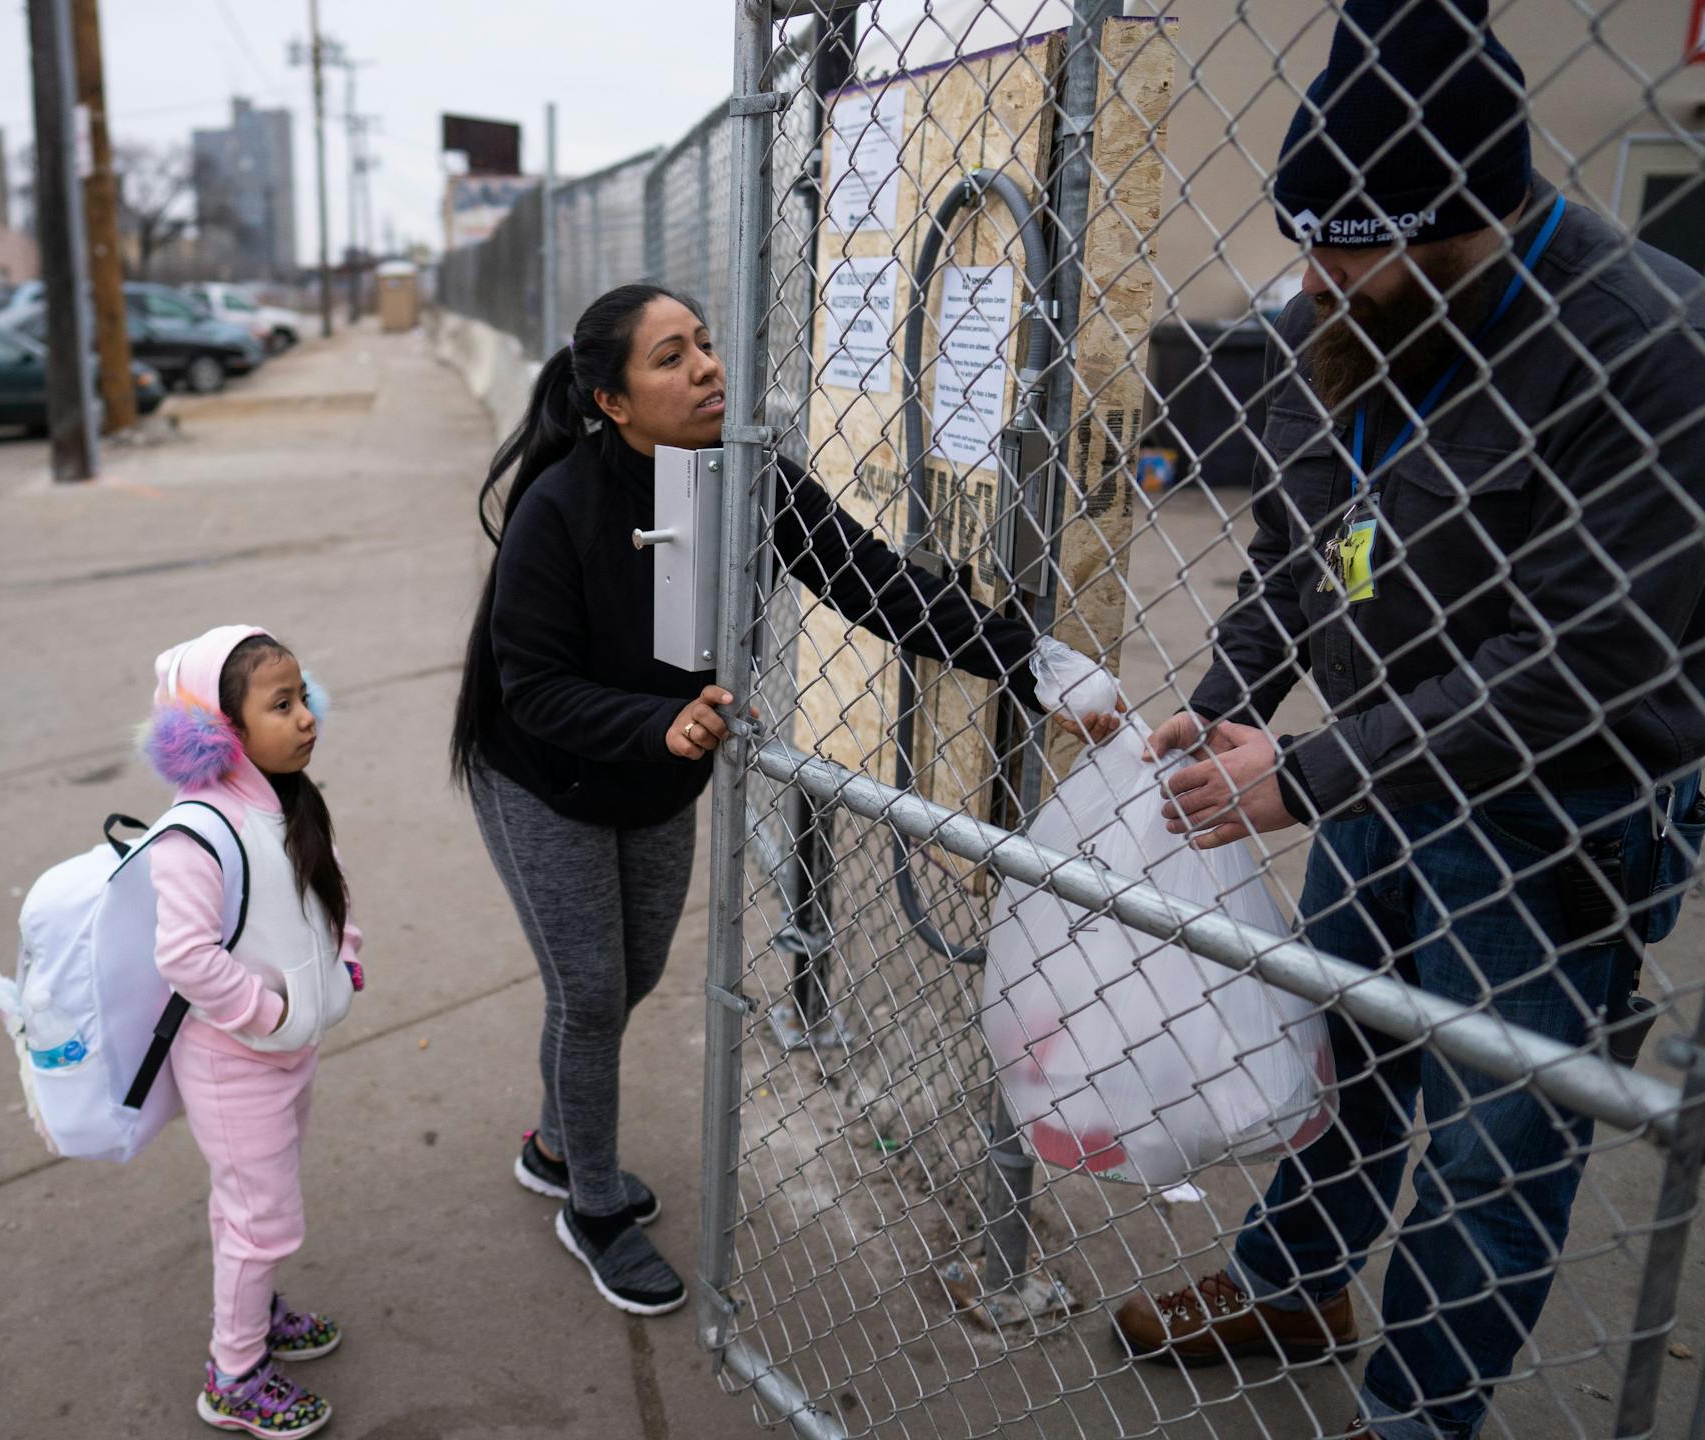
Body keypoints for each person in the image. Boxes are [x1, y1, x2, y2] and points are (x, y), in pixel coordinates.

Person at [1107, 2, 1705, 1436]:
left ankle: (1414, 1418)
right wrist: (1224, 713)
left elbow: (1581, 665)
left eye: (1352, 249)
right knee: (1341, 1047)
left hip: (1558, 804)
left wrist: (1302, 774)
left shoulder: (1645, 345)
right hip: (1379, 771)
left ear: (1477, 219)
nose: (1314, 278)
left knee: (1495, 1140)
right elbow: (1294, 545)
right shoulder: (1348, 305)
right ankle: (1297, 1279)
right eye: (1306, 240)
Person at [450, 282, 1119, 1316]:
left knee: (627, 981)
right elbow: (532, 688)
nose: (707, 368)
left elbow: (875, 580)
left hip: (662, 776)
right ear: (613, 402)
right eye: (670, 358)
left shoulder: (747, 480)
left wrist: (1031, 658)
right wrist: (653, 724)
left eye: (706, 345)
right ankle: (590, 1203)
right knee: (589, 993)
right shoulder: (560, 507)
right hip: (547, 774)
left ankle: (552, 1140)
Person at [141, 625, 364, 1439]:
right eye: (282, 704)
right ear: (219, 731)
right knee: (261, 1216)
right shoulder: (196, 834)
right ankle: (233, 1375)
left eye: (304, 697)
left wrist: (347, 962)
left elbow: (323, 899)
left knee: (251, 1206)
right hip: (237, 1061)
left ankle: (255, 1306)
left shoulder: (287, 801)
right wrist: (268, 1014)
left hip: (287, 1051)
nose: (307, 717)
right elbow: (186, 958)